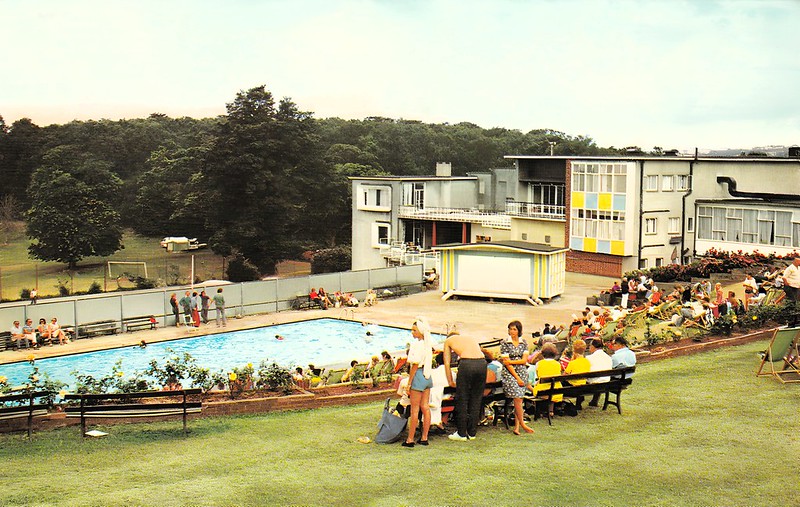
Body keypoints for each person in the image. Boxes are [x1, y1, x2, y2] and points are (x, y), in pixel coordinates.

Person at [443, 329, 487, 441]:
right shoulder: (469, 338)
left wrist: (450, 381)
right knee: (476, 398)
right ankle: (472, 433)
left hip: (467, 363)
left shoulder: (448, 341)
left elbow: (447, 363)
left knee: (462, 399)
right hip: (482, 363)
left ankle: (461, 433)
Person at [402, 317, 434, 447]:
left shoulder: (418, 345)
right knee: (425, 407)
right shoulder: (427, 344)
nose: (412, 332)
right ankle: (424, 437)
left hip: (418, 375)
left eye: (414, 330)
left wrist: (409, 383)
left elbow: (414, 365)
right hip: (427, 376)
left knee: (414, 410)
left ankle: (410, 439)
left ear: (420, 331)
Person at [500, 320, 534, 435]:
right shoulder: (504, 343)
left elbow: (524, 361)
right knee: (517, 398)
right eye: (510, 329)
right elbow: (506, 364)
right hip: (510, 373)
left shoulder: (523, 342)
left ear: (519, 330)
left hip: (522, 371)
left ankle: (517, 426)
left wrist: (512, 361)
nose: (512, 331)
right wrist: (517, 377)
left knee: (519, 399)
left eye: (514, 329)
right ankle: (523, 424)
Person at [531, 342, 562, 418]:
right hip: (556, 391)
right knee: (552, 386)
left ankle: (538, 410)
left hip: (542, 391)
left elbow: (538, 375)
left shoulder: (539, 363)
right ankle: (551, 411)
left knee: (538, 384)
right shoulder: (557, 364)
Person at [564, 339, 590, 408]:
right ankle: (579, 403)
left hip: (573, 388)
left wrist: (572, 359)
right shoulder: (587, 361)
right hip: (583, 387)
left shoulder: (572, 363)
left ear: (574, 350)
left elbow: (565, 375)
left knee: (562, 382)